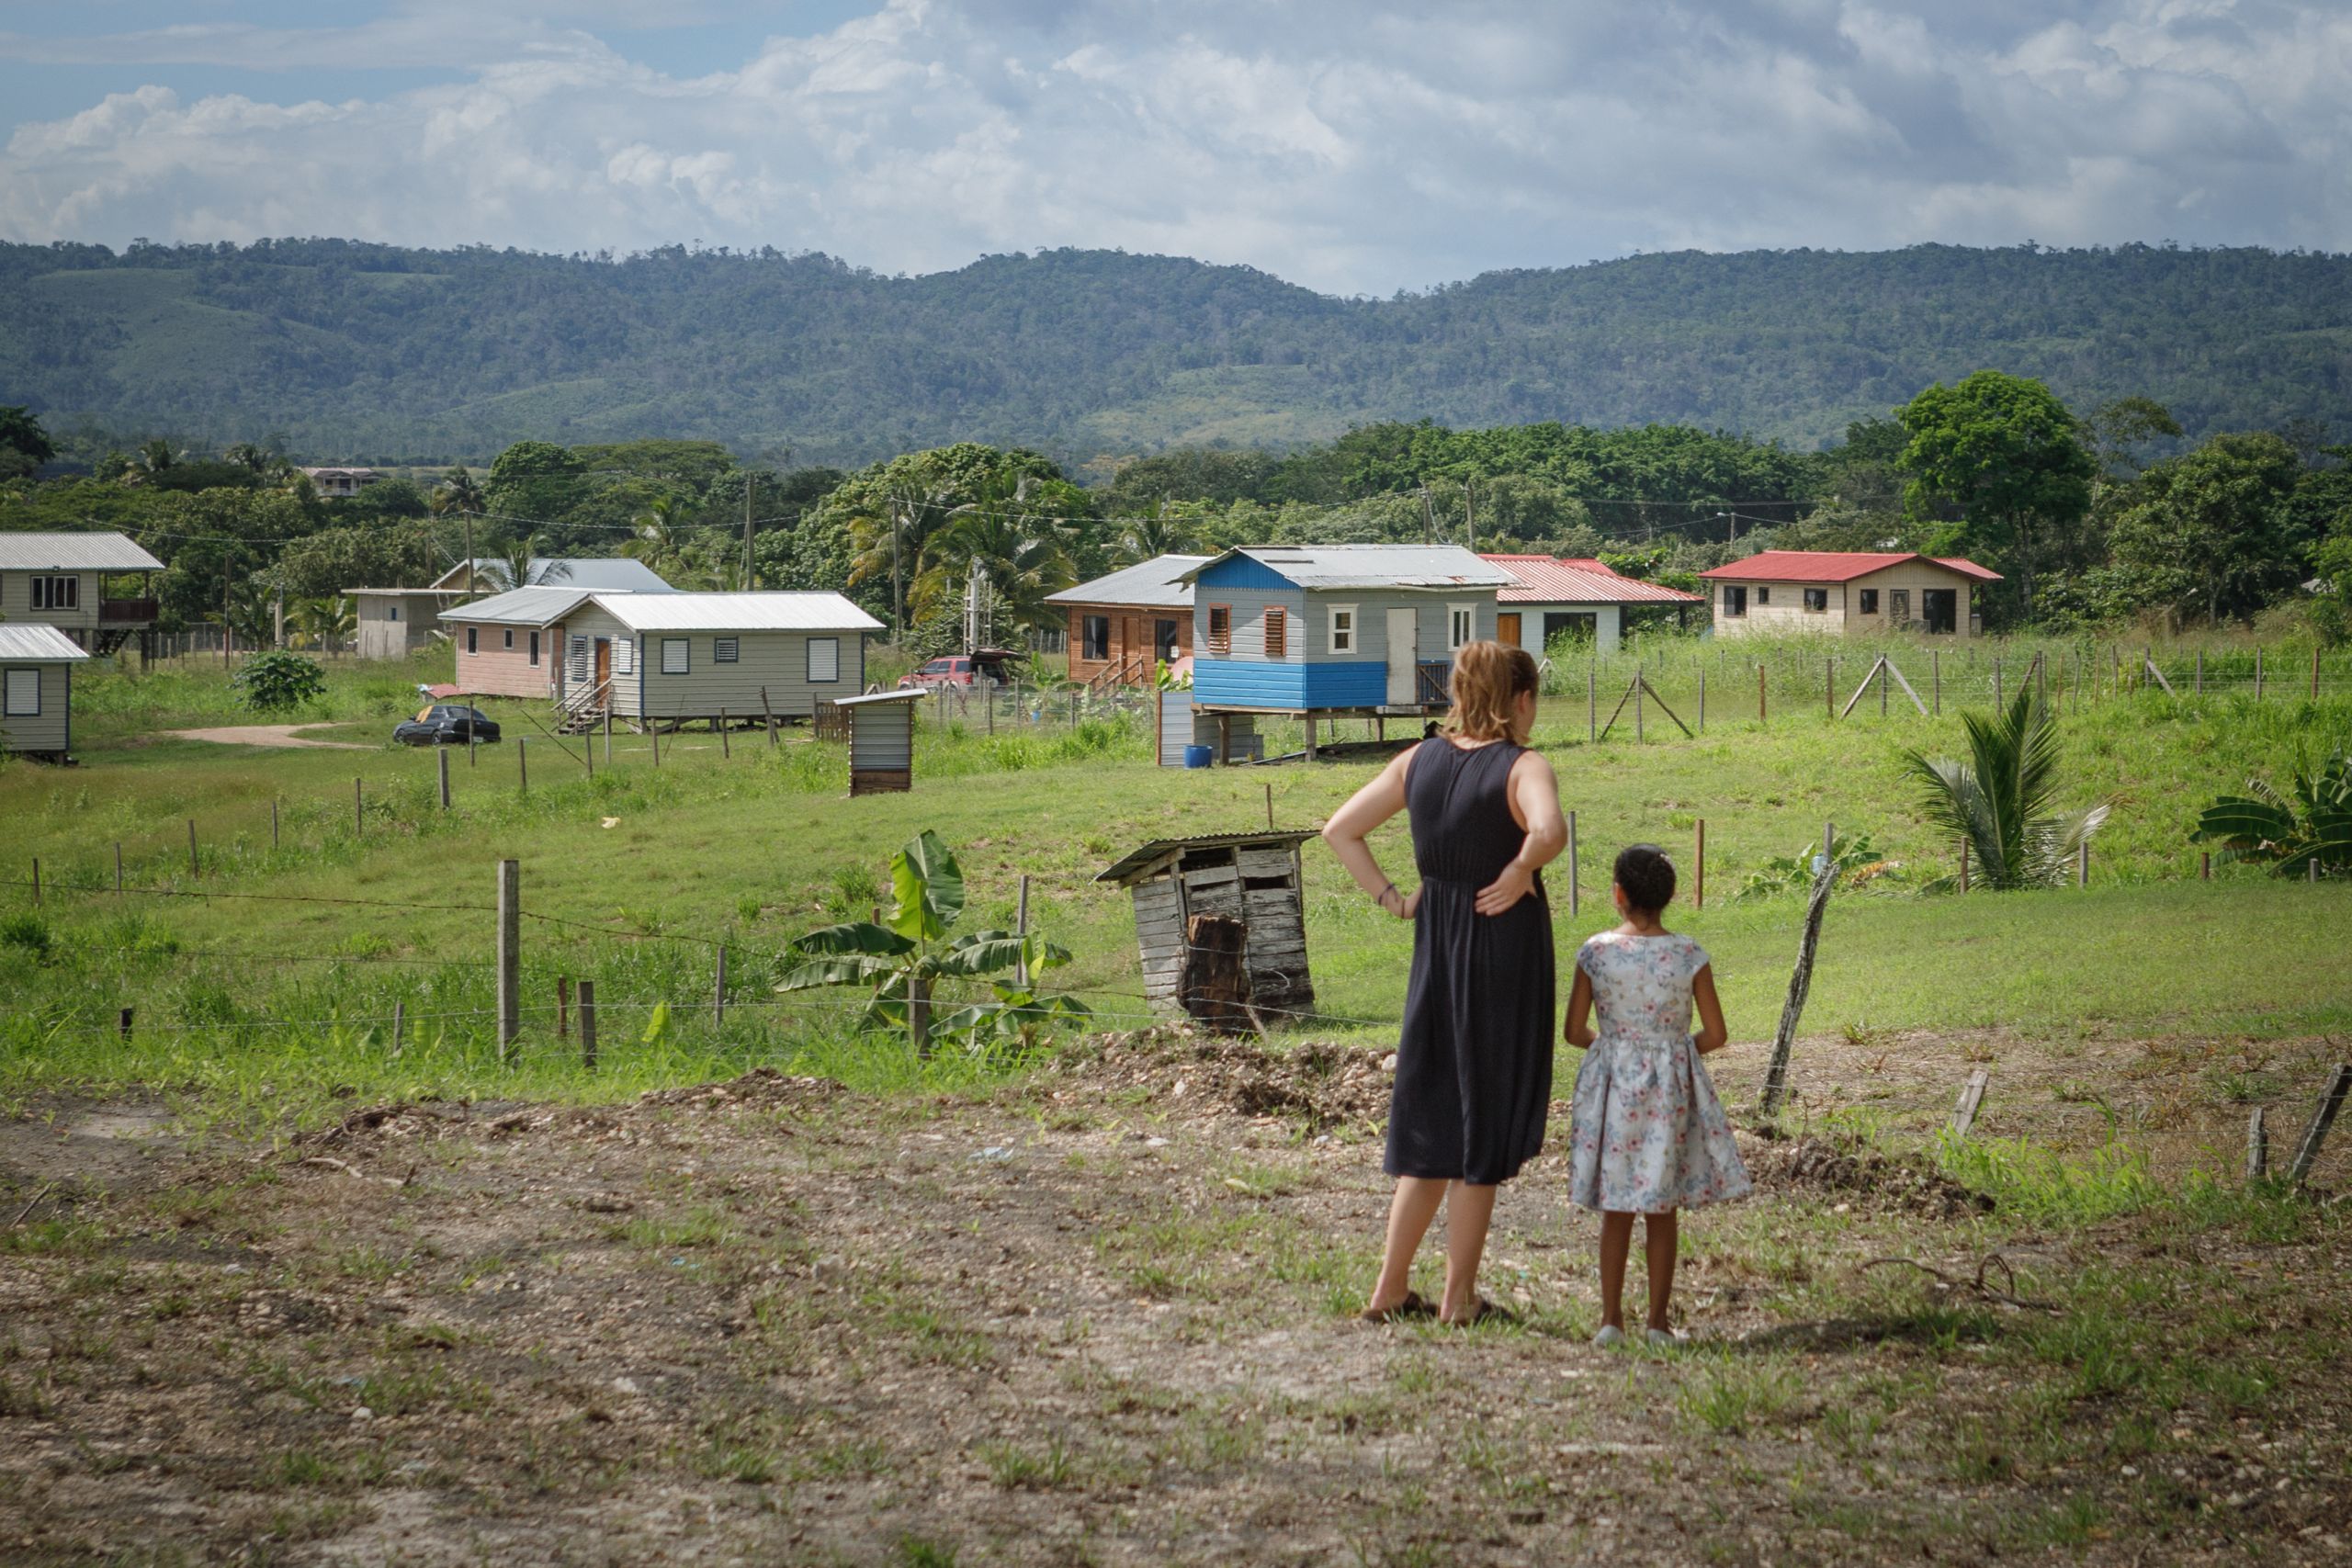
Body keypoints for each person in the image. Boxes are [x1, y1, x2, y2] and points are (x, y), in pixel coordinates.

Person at [1322, 641, 1566, 1326]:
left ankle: (1390, 1288)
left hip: (1436, 945)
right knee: (1480, 1122)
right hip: (1499, 949)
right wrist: (1520, 870)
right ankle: (1458, 1298)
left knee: (1430, 1115)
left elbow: (1339, 830)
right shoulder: (1524, 764)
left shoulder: (1417, 759)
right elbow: (1549, 830)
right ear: (1520, 699)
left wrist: (1396, 898)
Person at [1563, 844, 1750, 1347]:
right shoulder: (1689, 955)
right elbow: (1716, 1033)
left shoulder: (1595, 952)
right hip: (1671, 1091)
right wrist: (1672, 1052)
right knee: (1661, 1207)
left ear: (1618, 894)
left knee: (1616, 1205)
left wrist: (1617, 1049)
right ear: (1668, 897)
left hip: (1614, 1090)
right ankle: (1658, 1324)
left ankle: (1610, 1322)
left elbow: (1573, 1030)